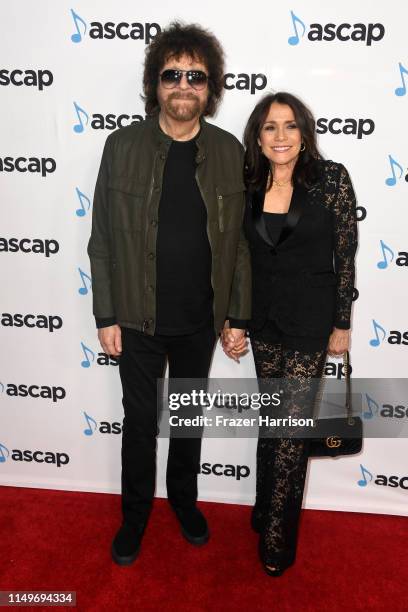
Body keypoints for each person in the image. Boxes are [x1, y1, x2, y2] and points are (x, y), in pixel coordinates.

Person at [88, 22, 250, 566]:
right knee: (138, 426)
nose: (184, 85)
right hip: (134, 318)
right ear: (154, 83)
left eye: (196, 77)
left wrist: (236, 316)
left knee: (186, 422)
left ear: (212, 87)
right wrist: (105, 313)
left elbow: (241, 248)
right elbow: (102, 239)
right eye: (172, 74)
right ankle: (135, 516)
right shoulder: (122, 146)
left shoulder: (229, 152)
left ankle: (183, 501)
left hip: (200, 321)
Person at [222, 91, 358, 576]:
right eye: (270, 127)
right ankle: (263, 510)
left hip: (310, 322)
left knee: (290, 431)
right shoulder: (247, 182)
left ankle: (279, 538)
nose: (280, 136)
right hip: (263, 320)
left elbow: (345, 257)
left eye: (290, 126)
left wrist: (342, 322)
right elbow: (237, 259)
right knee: (272, 420)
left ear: (304, 133)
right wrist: (232, 319)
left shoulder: (331, 180)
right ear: (257, 138)